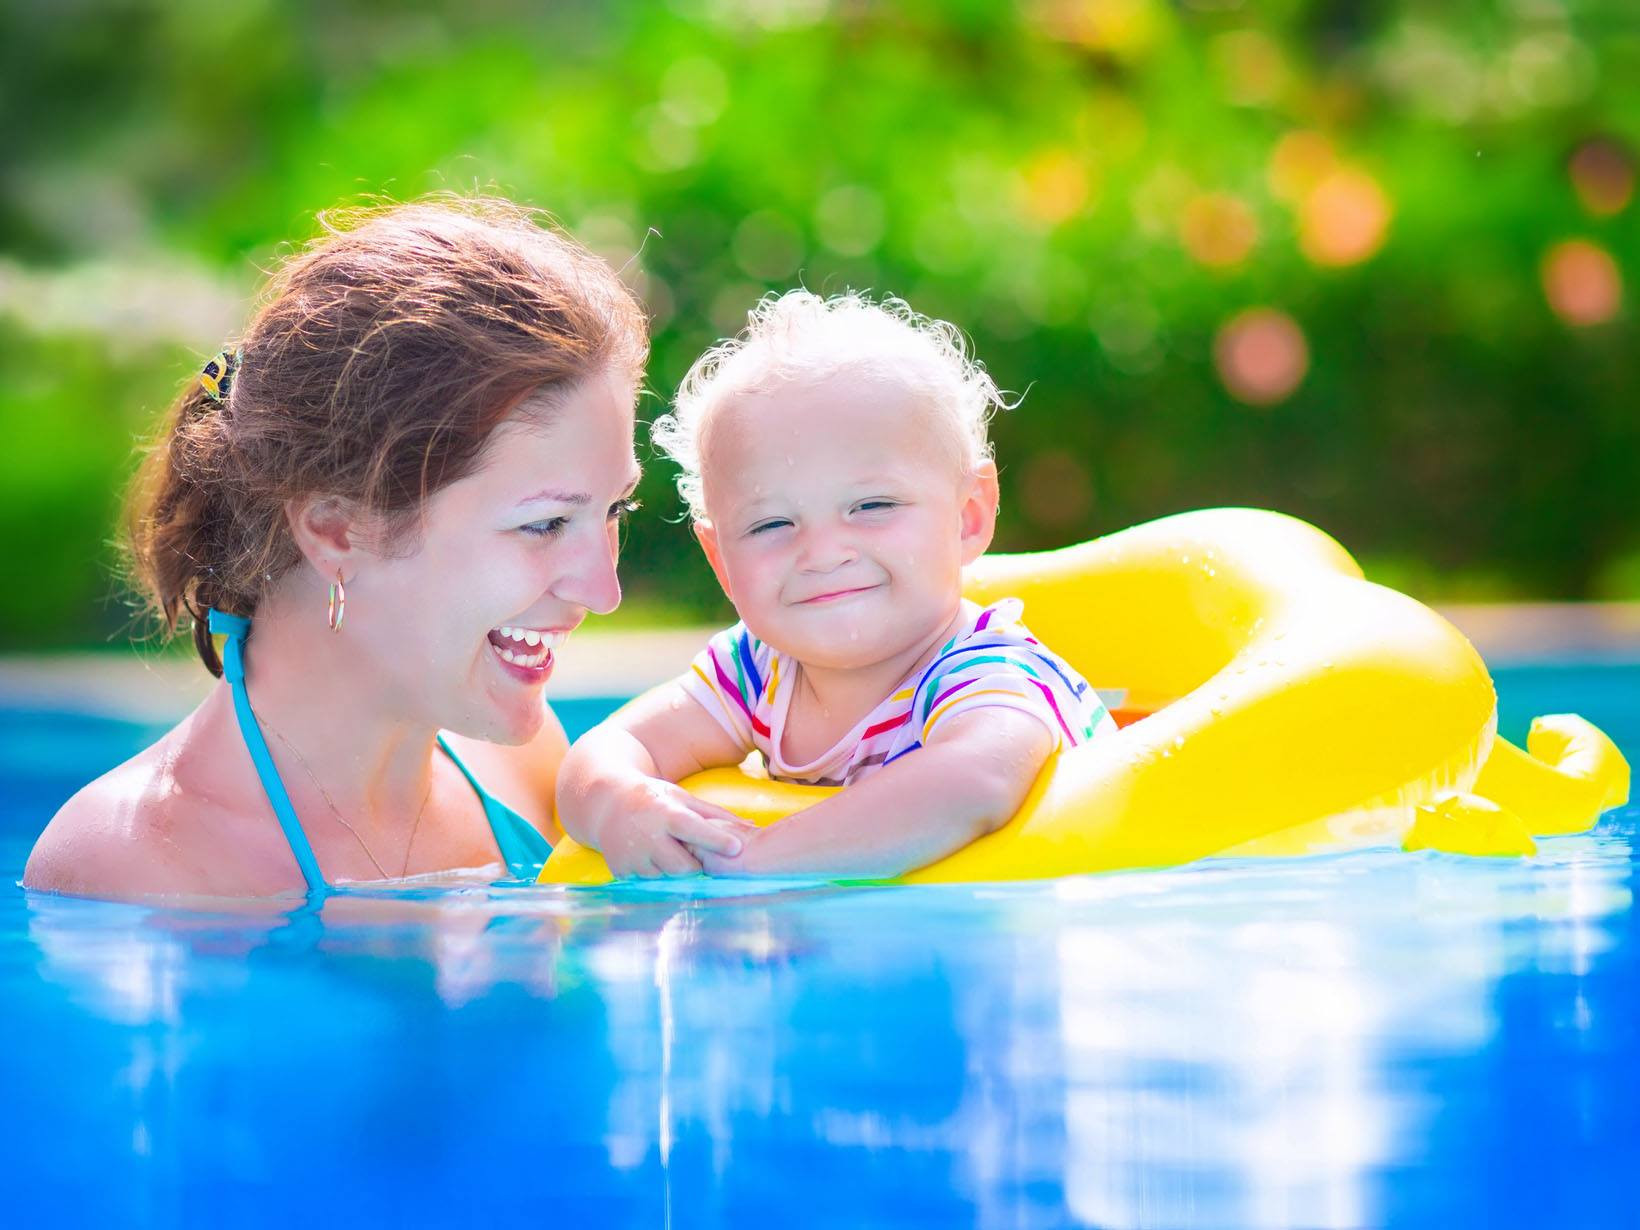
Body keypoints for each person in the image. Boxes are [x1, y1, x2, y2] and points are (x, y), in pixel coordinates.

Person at [23, 195, 718, 899]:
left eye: (614, 509)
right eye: (543, 524)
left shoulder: (529, 771)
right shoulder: (134, 867)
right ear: (335, 529)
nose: (604, 591)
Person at [555, 290, 1116, 879]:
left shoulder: (986, 672)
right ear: (720, 558)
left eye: (872, 505)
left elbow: (973, 781)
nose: (822, 553)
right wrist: (623, 805)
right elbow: (600, 754)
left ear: (969, 514)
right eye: (772, 523)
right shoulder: (755, 670)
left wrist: (753, 865)